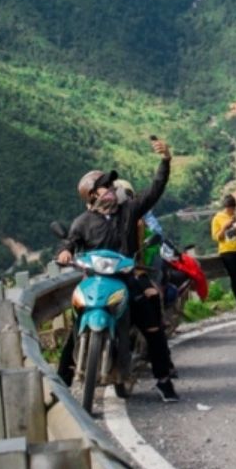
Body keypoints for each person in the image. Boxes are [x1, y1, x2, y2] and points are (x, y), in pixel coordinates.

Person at [56, 137, 180, 403]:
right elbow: (70, 242)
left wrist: (165, 161)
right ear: (92, 195)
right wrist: (65, 252)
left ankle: (163, 378)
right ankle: (61, 385)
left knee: (151, 322)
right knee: (75, 323)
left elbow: (156, 189)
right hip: (94, 281)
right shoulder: (83, 222)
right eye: (104, 187)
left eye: (111, 185)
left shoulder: (129, 211)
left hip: (127, 278)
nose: (111, 189)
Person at [211, 194, 236, 313]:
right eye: (229, 208)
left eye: (233, 208)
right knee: (234, 278)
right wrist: (225, 226)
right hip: (227, 251)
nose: (231, 211)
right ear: (225, 207)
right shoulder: (218, 218)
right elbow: (216, 237)